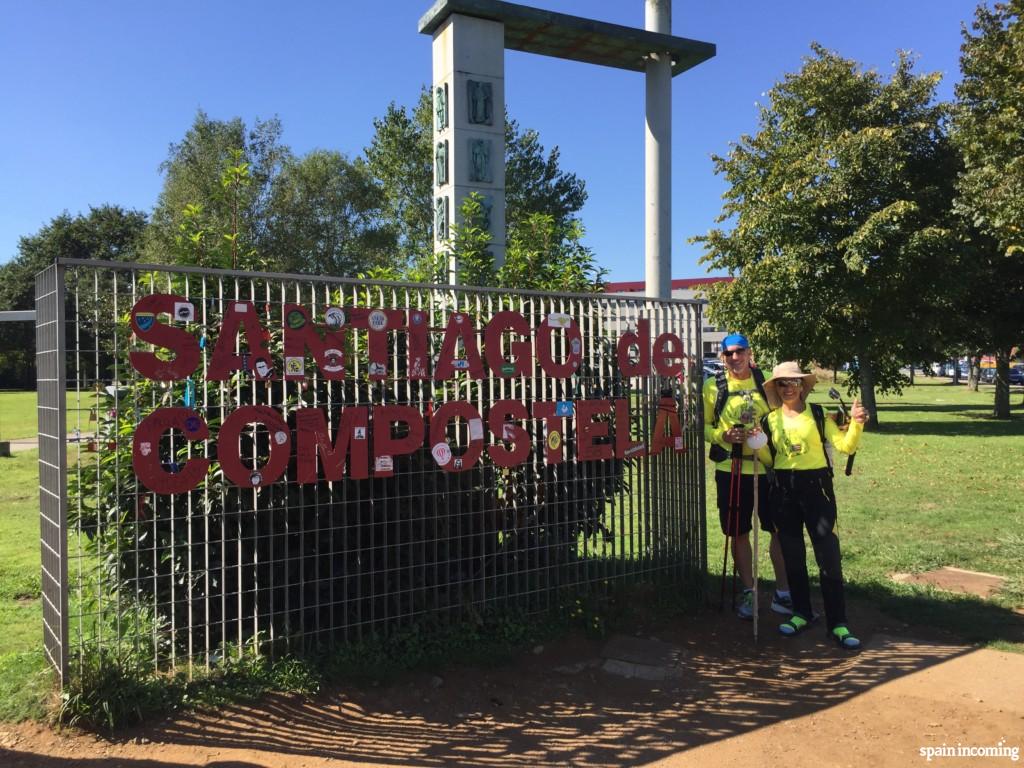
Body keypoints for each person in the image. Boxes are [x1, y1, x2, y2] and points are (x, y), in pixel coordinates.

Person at [758, 361, 867, 649]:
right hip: (783, 490)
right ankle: (802, 613)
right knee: (792, 556)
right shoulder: (769, 421)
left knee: (828, 557)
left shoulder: (818, 415)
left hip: (817, 490)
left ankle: (838, 623)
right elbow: (770, 460)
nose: (789, 388)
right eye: (783, 383)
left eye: (794, 382)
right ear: (776, 388)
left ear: (803, 386)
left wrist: (856, 423)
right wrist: (753, 444)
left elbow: (846, 447)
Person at [702, 333, 791, 620]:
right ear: (722, 357)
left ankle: (783, 592)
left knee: (778, 529)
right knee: (738, 532)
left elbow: (783, 419)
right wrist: (723, 435)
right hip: (732, 469)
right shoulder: (712, 387)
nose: (735, 358)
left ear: (750, 352)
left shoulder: (766, 384)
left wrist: (765, 436)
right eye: (729, 354)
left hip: (766, 469)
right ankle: (749, 591)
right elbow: (703, 426)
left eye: (740, 351)